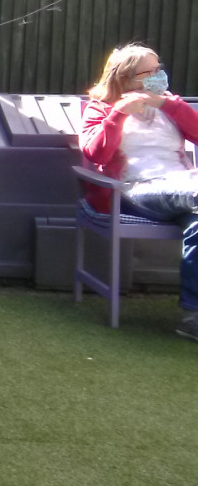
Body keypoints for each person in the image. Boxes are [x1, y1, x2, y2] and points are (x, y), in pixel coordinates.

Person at [79, 44, 198, 339]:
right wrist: (118, 114)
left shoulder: (171, 105)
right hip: (135, 191)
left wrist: (169, 105)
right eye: (151, 71)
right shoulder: (102, 107)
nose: (160, 75)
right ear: (128, 77)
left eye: (160, 68)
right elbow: (97, 155)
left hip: (184, 187)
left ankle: (191, 317)